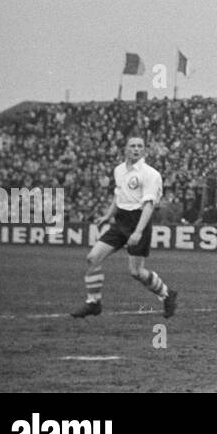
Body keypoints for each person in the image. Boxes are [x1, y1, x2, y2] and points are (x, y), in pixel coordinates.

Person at [70, 136, 178, 319]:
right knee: (92, 257)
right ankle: (93, 302)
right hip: (120, 220)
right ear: (125, 149)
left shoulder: (151, 174)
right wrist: (107, 215)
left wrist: (137, 232)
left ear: (144, 150)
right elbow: (118, 196)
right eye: (132, 146)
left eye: (140, 146)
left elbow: (149, 206)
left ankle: (167, 294)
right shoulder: (119, 170)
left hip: (139, 221)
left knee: (136, 272)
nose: (136, 149)